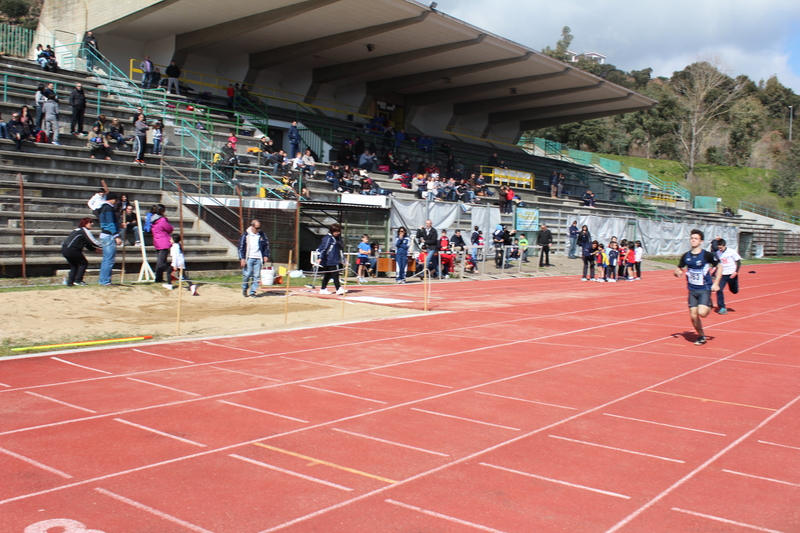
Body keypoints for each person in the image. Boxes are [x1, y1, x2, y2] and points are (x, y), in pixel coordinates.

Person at [674, 229, 722, 345]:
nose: (693, 240)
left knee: (702, 313)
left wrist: (716, 283)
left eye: (696, 238)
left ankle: (709, 304)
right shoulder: (686, 256)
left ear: (701, 241)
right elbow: (678, 268)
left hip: (704, 288)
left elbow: (720, 267)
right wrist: (677, 272)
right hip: (692, 290)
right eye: (692, 238)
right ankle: (701, 336)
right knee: (693, 316)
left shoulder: (706, 255)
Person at [62, 218, 101, 286]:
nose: (92, 224)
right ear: (85, 223)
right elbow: (92, 241)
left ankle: (70, 282)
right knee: (83, 263)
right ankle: (78, 280)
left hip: (65, 249)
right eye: (90, 222)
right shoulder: (84, 230)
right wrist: (105, 246)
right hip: (72, 250)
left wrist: (94, 249)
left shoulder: (78, 230)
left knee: (74, 266)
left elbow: (86, 243)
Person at [238, 219, 270, 297]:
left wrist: (266, 255)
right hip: (249, 257)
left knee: (256, 276)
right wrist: (242, 258)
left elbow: (266, 245)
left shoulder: (262, 235)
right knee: (247, 274)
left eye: (259, 228)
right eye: (256, 228)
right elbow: (241, 247)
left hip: (258, 258)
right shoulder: (246, 235)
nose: (258, 230)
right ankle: (245, 288)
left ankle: (252, 291)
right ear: (252, 226)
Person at [97, 192, 122, 286]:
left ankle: (103, 279)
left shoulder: (103, 208)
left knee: (106, 259)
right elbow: (110, 223)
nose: (116, 202)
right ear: (113, 199)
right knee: (109, 259)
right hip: (109, 236)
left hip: (104, 234)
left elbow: (107, 223)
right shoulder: (108, 208)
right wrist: (116, 236)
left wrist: (119, 226)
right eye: (116, 200)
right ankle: (105, 281)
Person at [316, 223, 346, 295]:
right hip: (330, 259)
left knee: (328, 275)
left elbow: (340, 248)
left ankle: (323, 288)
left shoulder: (337, 238)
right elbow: (324, 249)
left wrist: (343, 259)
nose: (337, 233)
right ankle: (338, 288)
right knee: (335, 274)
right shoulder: (328, 238)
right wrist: (320, 258)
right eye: (336, 232)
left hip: (335, 258)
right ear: (332, 231)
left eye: (338, 231)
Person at [714, 239, 741, 315]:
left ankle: (733, 287)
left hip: (732, 274)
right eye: (719, 248)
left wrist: (736, 272)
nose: (720, 249)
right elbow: (717, 263)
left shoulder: (731, 251)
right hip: (723, 274)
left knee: (734, 291)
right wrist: (715, 270)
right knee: (719, 289)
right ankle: (722, 307)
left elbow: (738, 262)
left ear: (725, 246)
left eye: (721, 248)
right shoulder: (718, 253)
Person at [150, 204, 174, 284]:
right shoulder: (162, 220)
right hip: (163, 241)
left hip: (157, 241)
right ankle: (158, 278)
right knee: (162, 262)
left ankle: (159, 277)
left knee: (160, 260)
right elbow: (169, 229)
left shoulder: (153, 219)